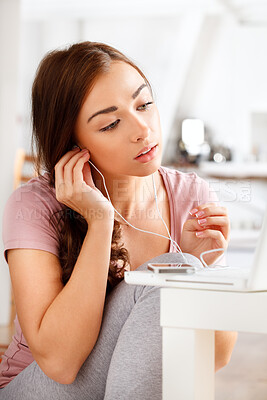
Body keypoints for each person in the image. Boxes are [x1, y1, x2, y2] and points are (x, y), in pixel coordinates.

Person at [0, 41, 237, 399]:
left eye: (144, 104)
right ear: (72, 142)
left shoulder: (192, 196)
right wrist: (99, 222)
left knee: (175, 273)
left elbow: (215, 357)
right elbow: (60, 364)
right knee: (164, 279)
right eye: (111, 124)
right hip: (39, 387)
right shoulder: (34, 204)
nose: (142, 128)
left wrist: (202, 272)